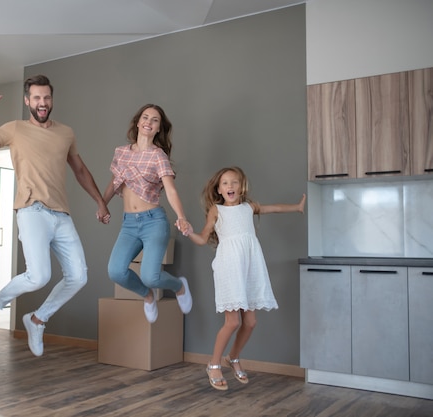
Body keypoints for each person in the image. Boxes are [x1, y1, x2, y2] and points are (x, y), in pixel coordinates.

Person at [0, 75, 110, 357]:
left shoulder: (66, 133)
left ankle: (37, 319)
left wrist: (100, 202)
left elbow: (80, 170)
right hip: (32, 210)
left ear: (51, 100)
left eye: (47, 98)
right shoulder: (15, 129)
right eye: (37, 98)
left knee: (79, 277)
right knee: (39, 276)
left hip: (61, 215)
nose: (42, 103)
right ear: (27, 101)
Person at [186, 166, 305, 391]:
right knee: (232, 322)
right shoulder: (216, 210)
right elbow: (202, 238)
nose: (230, 186)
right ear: (218, 189)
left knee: (250, 322)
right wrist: (188, 231)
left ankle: (234, 357)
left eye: (234, 182)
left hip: (250, 266)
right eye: (225, 183)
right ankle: (213, 364)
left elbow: (275, 208)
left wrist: (297, 207)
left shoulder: (249, 207)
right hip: (229, 267)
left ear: (241, 187)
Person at [102, 103, 193, 324]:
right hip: (129, 225)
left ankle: (179, 286)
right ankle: (147, 296)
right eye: (145, 117)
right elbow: (115, 183)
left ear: (159, 128)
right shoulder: (121, 153)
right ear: (137, 122)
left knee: (150, 276)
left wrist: (181, 216)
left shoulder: (158, 156)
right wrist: (102, 204)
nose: (148, 123)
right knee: (115, 271)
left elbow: (170, 189)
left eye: (155, 120)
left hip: (154, 222)